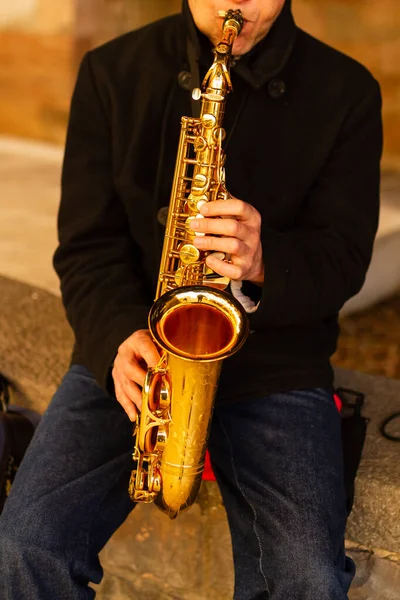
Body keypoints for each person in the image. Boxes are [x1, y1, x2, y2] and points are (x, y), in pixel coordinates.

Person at [0, 0, 382, 598]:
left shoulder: (347, 91)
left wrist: (263, 261)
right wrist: (116, 337)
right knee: (24, 546)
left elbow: (343, 261)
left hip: (276, 364)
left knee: (307, 575)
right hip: (139, 352)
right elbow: (85, 245)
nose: (238, 3)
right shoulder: (111, 71)